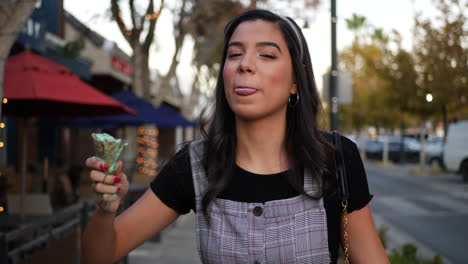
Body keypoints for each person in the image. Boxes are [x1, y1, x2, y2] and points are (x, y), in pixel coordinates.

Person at [82, 9, 389, 264]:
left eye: (267, 55)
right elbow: (101, 255)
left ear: (296, 80)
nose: (245, 65)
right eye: (234, 54)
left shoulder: (335, 159)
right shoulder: (194, 166)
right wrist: (104, 211)